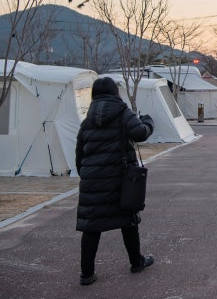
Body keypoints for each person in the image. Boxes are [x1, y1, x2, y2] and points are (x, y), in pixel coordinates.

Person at [75, 76, 156, 286]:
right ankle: (136, 262)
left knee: (91, 227)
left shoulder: (87, 120)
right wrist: (148, 122)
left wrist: (86, 175)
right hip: (120, 180)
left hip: (93, 182)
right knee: (128, 221)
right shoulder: (122, 113)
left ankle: (86, 274)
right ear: (115, 93)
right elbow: (139, 133)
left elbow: (79, 154)